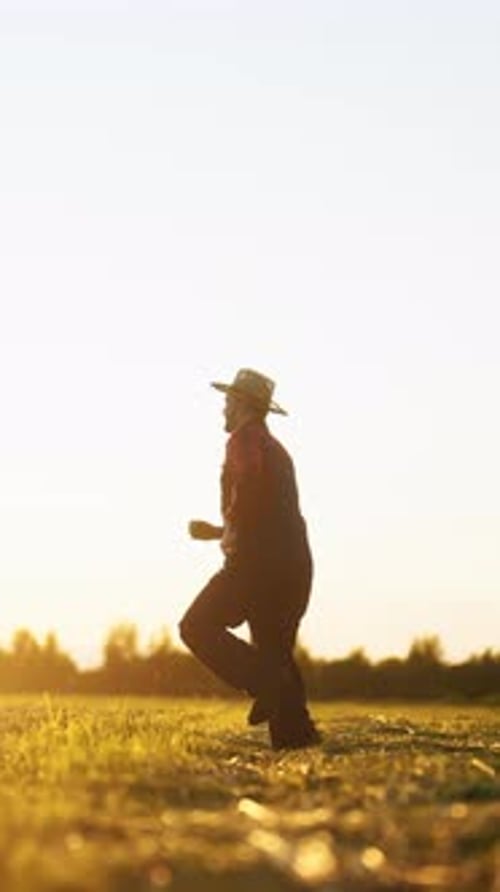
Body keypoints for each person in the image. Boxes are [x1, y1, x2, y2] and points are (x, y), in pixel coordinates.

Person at [179, 368, 319, 750]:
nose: (223, 407)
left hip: (257, 565)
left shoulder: (245, 440)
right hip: (292, 566)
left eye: (228, 400)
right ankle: (299, 738)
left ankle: (263, 681)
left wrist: (233, 528)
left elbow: (251, 496)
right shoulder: (273, 448)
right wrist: (217, 530)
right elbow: (269, 512)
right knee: (276, 655)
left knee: (197, 626)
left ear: (242, 404)